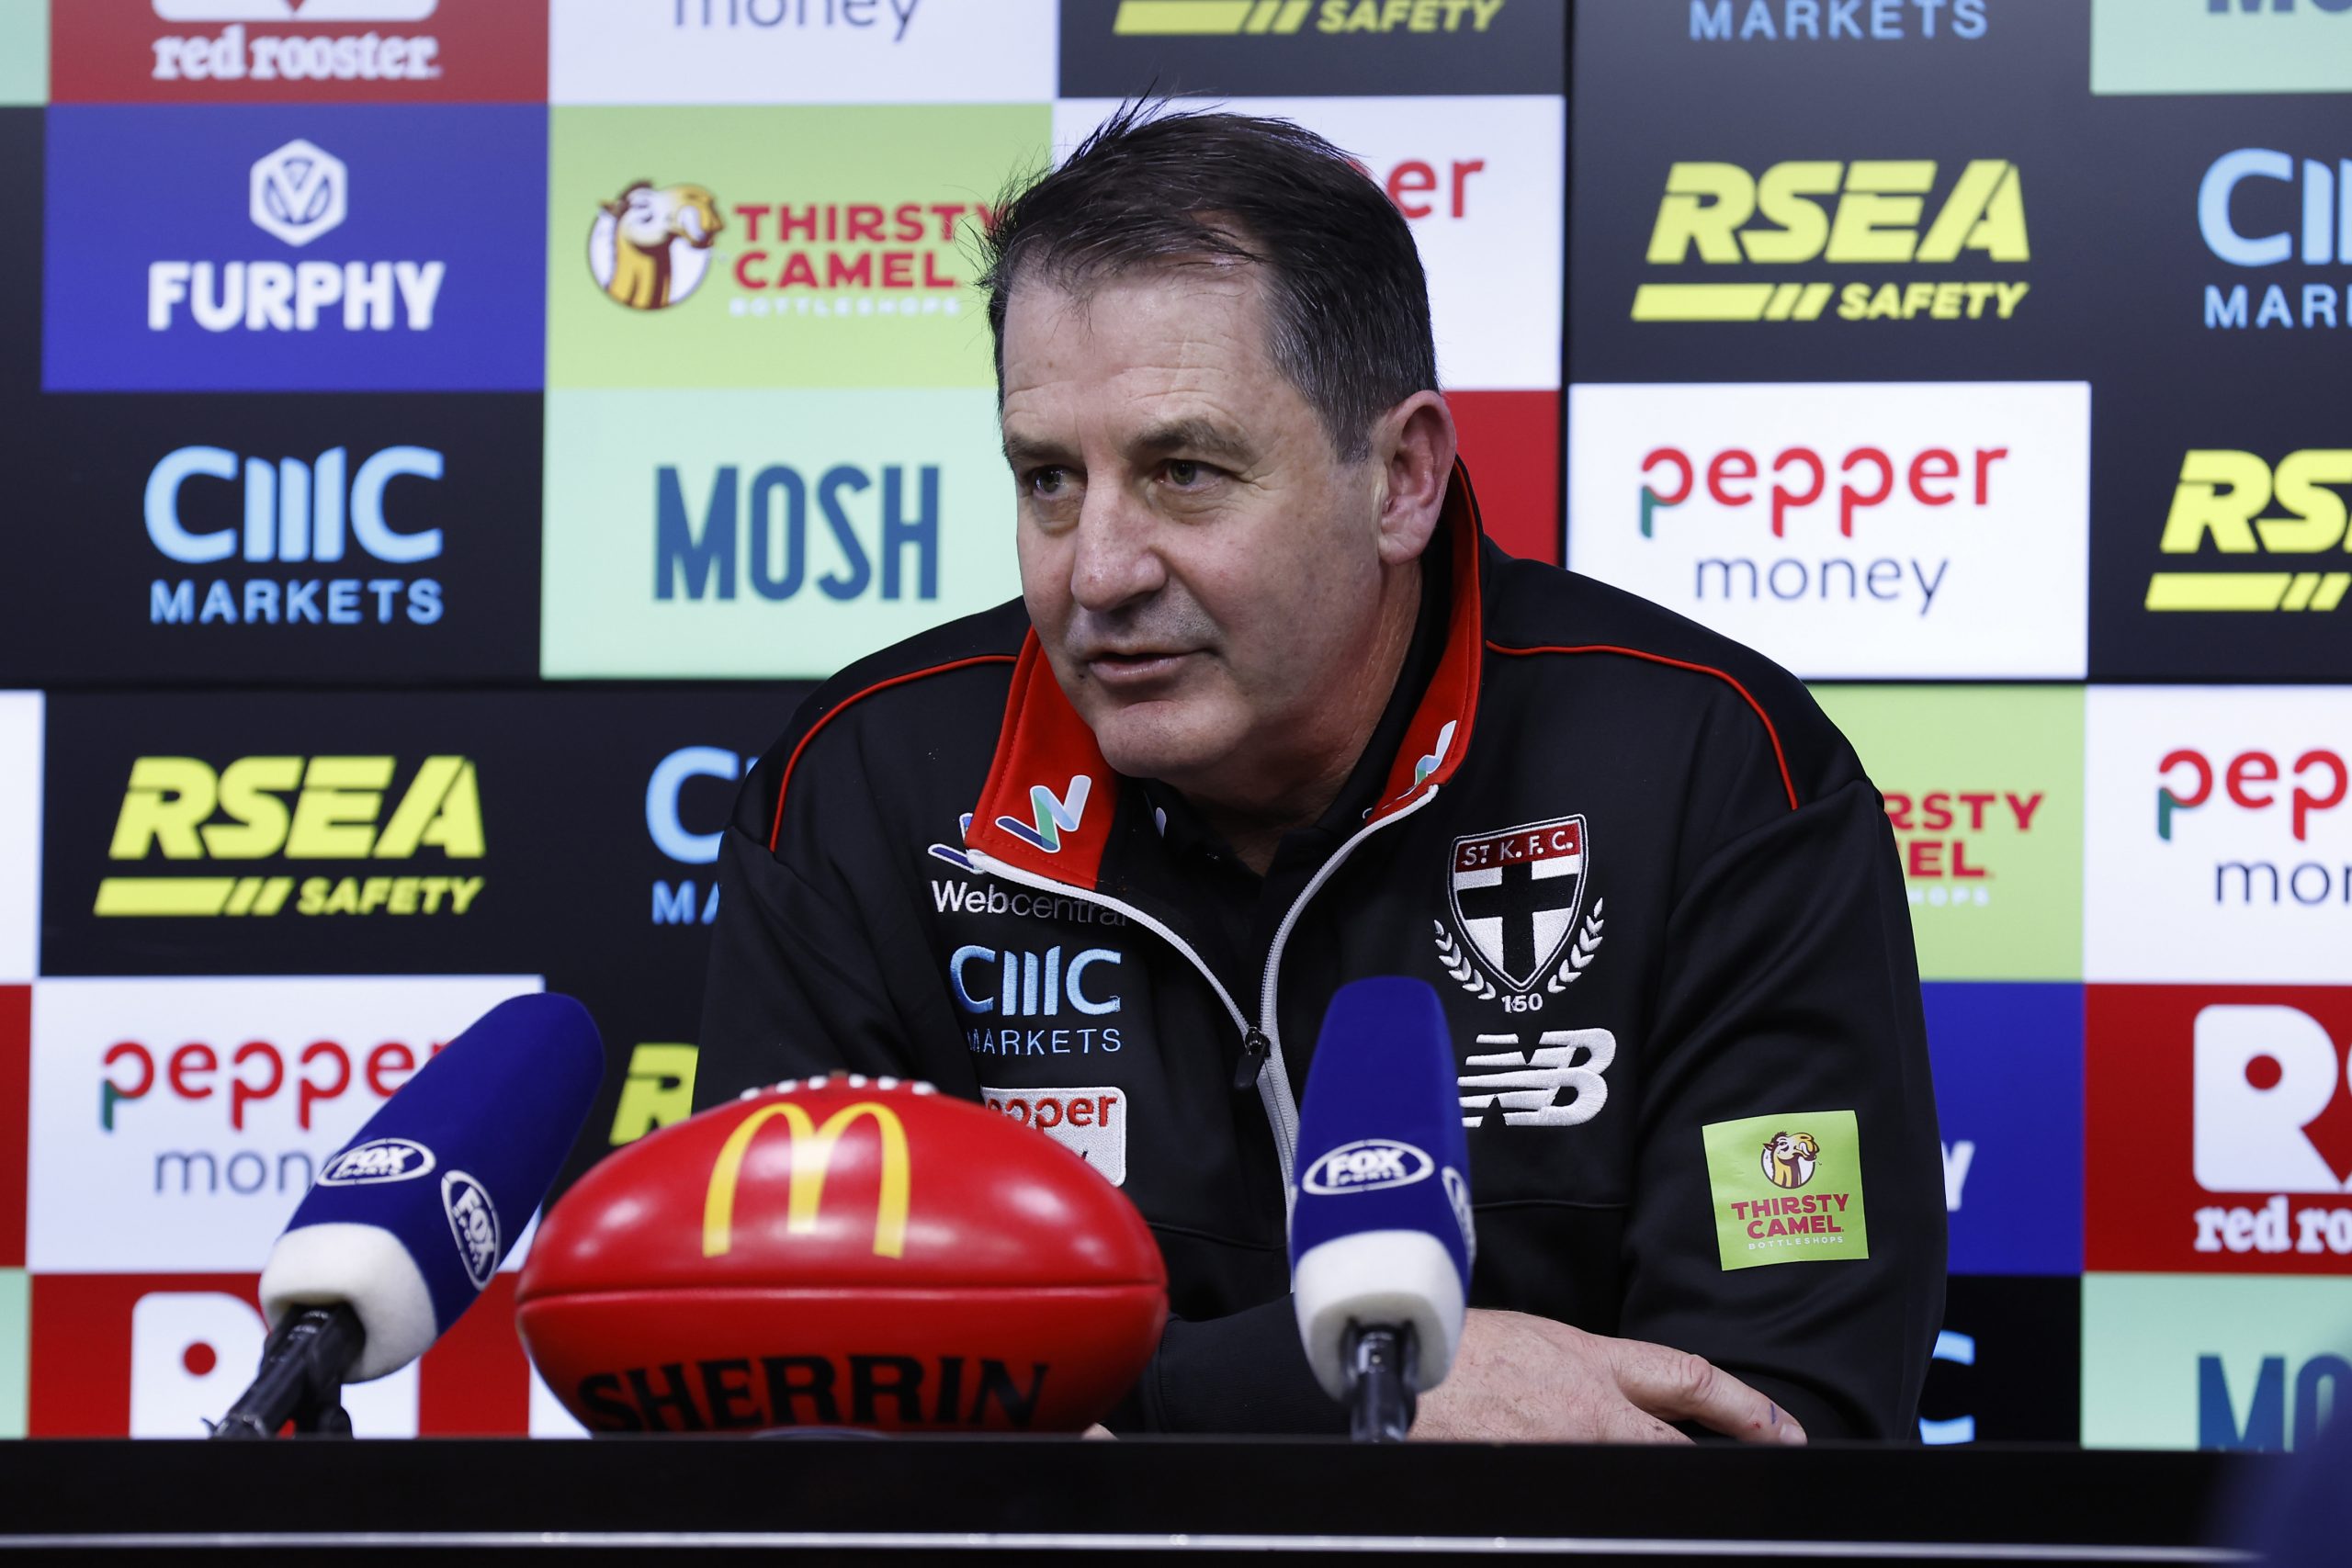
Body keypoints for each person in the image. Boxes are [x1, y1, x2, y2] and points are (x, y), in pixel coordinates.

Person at [695, 106, 1944, 1441]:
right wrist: (1348, 1385)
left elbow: (1774, 1426)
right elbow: (783, 1394)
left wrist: (1096, 1411)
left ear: (1401, 477)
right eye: (1048, 480)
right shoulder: (862, 794)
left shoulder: (1716, 773)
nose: (1097, 570)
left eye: (1183, 472)